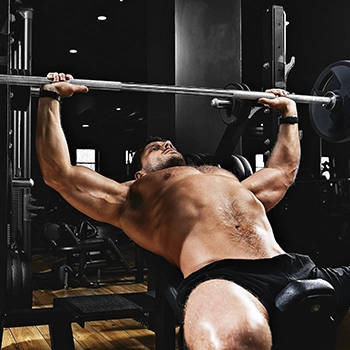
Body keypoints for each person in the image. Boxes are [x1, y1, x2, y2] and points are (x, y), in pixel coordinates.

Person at [36, 72, 350, 349]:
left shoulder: (227, 179)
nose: (167, 145)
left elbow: (282, 172)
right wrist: (50, 98)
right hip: (227, 280)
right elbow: (59, 173)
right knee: (232, 339)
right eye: (155, 148)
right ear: (140, 174)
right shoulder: (131, 198)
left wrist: (289, 114)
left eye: (169, 143)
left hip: (295, 267)